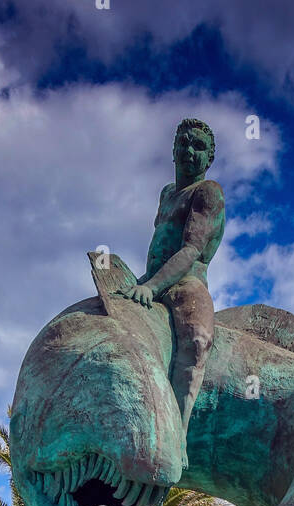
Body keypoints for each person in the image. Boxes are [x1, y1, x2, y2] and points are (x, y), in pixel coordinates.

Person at [117, 117, 225, 434]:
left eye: (199, 146)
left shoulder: (208, 192)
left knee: (196, 341)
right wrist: (141, 283)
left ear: (210, 158)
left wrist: (152, 286)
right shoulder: (166, 194)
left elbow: (191, 249)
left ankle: (176, 434)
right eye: (184, 143)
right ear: (174, 150)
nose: (190, 150)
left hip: (186, 286)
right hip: (151, 280)